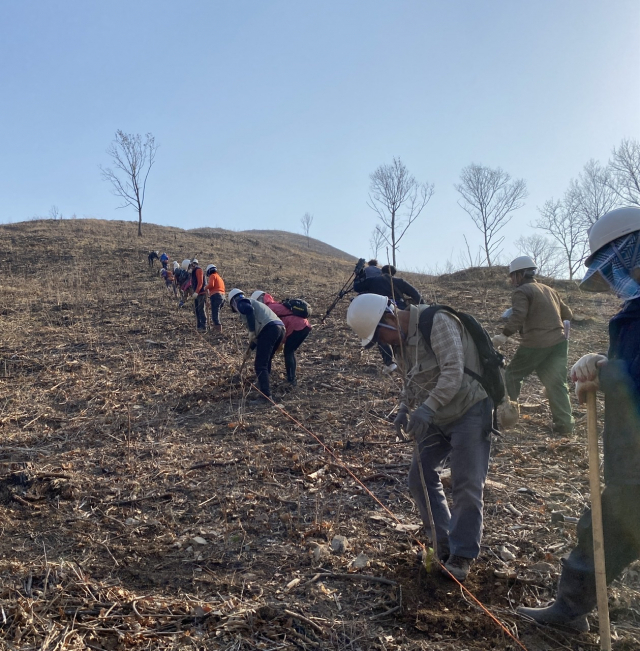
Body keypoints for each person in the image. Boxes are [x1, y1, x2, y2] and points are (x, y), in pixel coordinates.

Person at [518, 207, 640, 631]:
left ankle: (568, 613)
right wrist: (603, 366)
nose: (611, 284)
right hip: (631, 460)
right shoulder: (632, 312)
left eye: (614, 270)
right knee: (600, 531)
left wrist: (606, 372)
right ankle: (569, 612)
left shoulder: (529, 292)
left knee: (603, 530)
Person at [346, 293, 493, 581]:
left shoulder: (436, 322)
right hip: (436, 415)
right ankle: (443, 544)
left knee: (466, 483)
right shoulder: (399, 342)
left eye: (380, 336)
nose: (383, 345)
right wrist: (404, 408)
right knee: (419, 476)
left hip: (469, 409)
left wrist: (426, 409)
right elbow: (409, 381)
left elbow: (453, 371)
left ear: (389, 318)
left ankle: (462, 555)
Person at [492, 256, 574, 435]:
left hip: (536, 343)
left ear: (520, 275)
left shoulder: (521, 291)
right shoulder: (549, 290)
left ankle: (510, 415)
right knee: (557, 384)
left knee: (513, 375)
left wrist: (503, 335)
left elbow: (519, 315)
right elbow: (568, 314)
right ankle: (565, 427)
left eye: (513, 276)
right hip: (559, 343)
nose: (512, 280)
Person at [353, 265, 423, 374]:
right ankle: (410, 364)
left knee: (382, 336)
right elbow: (416, 294)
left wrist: (358, 275)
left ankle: (390, 362)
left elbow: (357, 287)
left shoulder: (374, 281)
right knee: (404, 338)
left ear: (381, 271)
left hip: (380, 312)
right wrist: (423, 309)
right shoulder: (399, 281)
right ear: (393, 273)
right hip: (400, 310)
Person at [228, 289, 285, 402]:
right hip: (280, 329)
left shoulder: (240, 301)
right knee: (266, 360)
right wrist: (249, 351)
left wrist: (251, 330)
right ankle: (264, 384)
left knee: (260, 364)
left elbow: (249, 311)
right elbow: (257, 337)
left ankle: (265, 396)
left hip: (269, 329)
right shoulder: (255, 306)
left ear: (232, 301)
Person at [252, 291, 312, 386]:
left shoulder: (268, 309)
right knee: (289, 351)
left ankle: (291, 380)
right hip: (305, 326)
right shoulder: (276, 305)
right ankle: (290, 378)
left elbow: (270, 328)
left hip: (296, 327)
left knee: (288, 352)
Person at [205, 264, 225, 333]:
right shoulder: (219, 277)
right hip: (222, 296)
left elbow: (211, 285)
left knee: (215, 314)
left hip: (216, 296)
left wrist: (205, 287)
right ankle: (217, 328)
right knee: (217, 312)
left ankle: (218, 330)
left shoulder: (212, 276)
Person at [190, 259, 207, 332]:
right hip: (197, 294)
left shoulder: (198, 270)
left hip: (201, 293)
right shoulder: (193, 272)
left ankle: (203, 326)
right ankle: (199, 326)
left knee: (201, 309)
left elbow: (200, 282)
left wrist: (196, 292)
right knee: (197, 310)